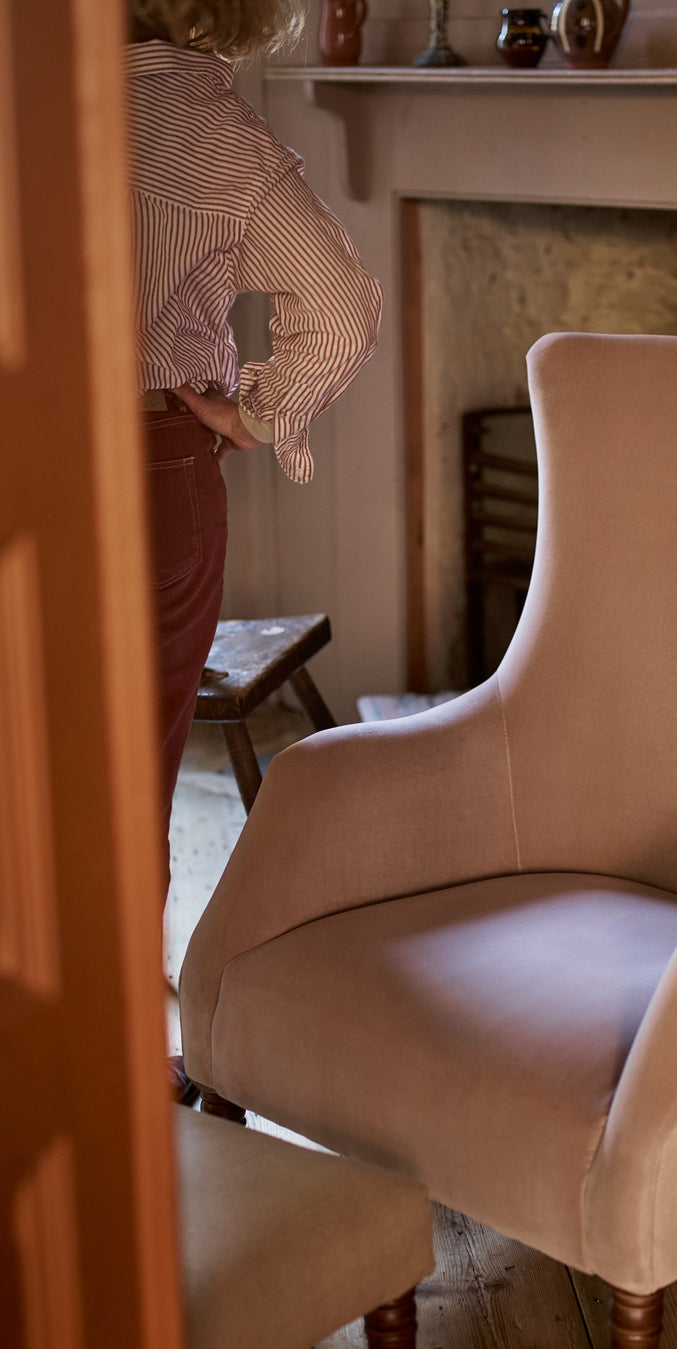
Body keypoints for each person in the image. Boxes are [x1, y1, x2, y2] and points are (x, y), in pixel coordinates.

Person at [125, 0, 383, 1100]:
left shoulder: (21, 93)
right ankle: (126, 1070)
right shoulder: (214, 137)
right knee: (130, 780)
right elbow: (336, 311)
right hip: (148, 477)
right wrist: (253, 414)